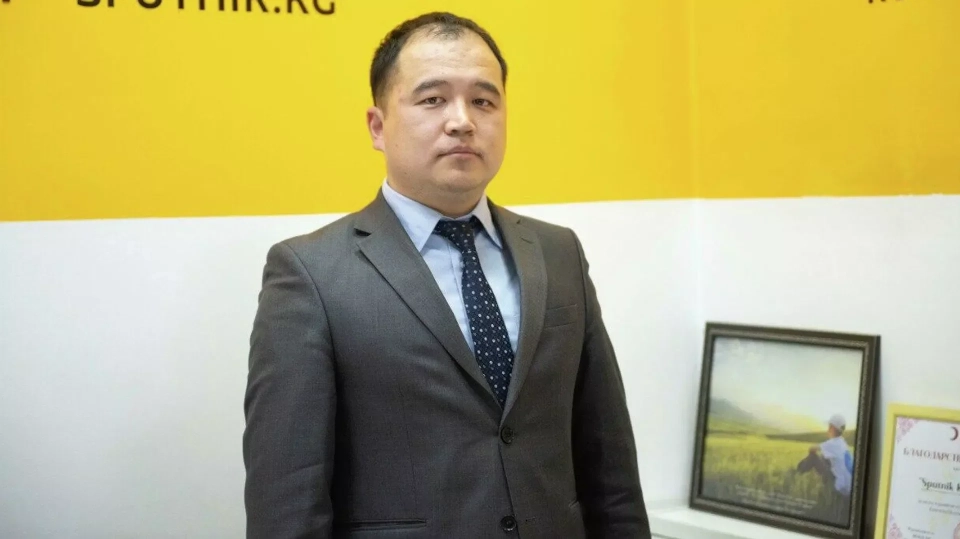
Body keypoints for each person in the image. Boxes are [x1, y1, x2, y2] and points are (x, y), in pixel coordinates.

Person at [242, 11, 650, 539]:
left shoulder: (559, 252)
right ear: (377, 126)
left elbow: (609, 463)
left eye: (483, 101)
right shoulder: (310, 274)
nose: (462, 121)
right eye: (433, 99)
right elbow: (287, 499)